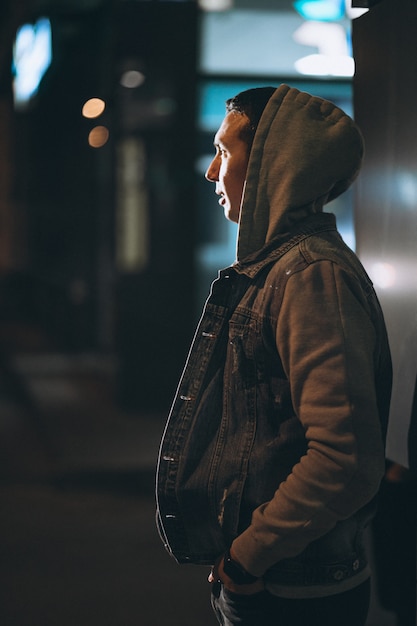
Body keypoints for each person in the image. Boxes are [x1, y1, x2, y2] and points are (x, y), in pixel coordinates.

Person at [156, 84, 392, 626]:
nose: (213, 173)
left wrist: (247, 557)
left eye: (224, 151)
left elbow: (345, 459)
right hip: (282, 581)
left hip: (294, 592)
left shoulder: (311, 276)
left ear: (271, 162)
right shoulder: (283, 269)